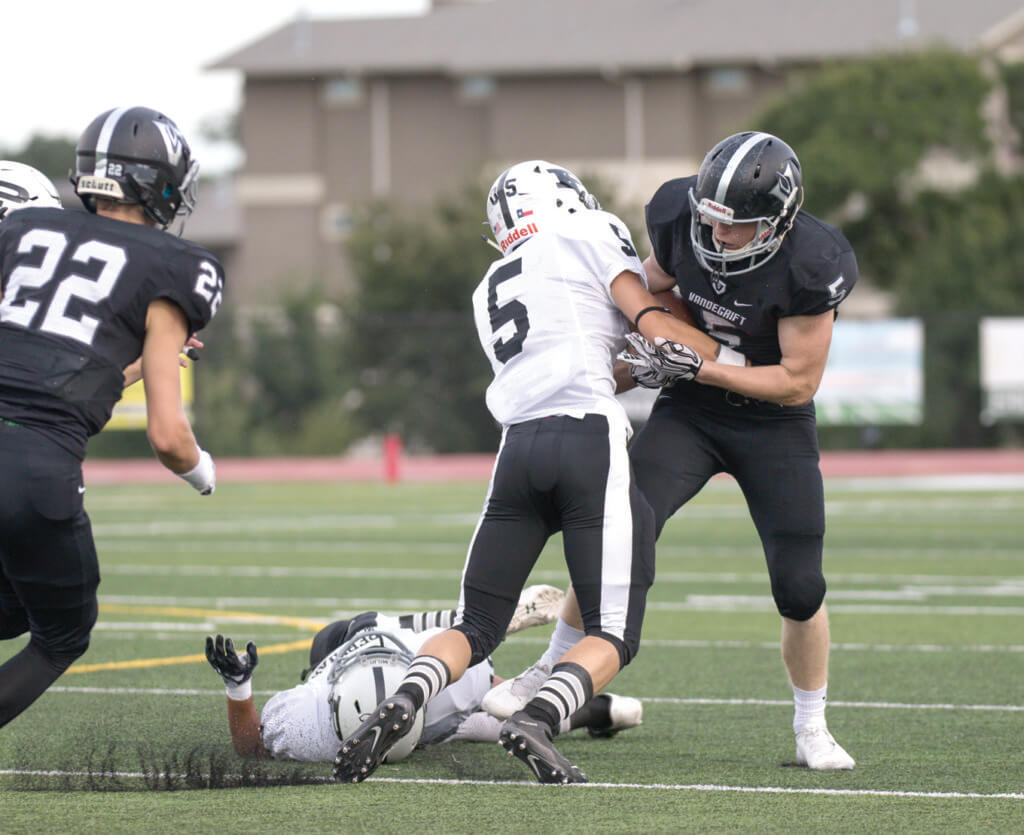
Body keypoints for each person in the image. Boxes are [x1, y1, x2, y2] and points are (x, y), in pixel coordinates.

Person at [331, 160, 733, 785]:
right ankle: (538, 717)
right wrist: (707, 349)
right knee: (613, 633)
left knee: (476, 626)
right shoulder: (590, 231)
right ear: (565, 198)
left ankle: (407, 697)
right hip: (587, 437)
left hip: (518, 448)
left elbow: (572, 343)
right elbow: (650, 326)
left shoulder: (490, 281)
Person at [484, 132, 858, 771]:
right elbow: (649, 294)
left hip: (774, 423)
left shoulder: (813, 262)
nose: (717, 236)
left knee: (800, 585)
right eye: (709, 219)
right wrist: (653, 355)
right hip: (690, 408)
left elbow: (796, 380)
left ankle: (811, 726)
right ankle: (548, 673)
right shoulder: (678, 215)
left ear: (776, 222)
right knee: (618, 526)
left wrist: (706, 363)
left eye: (735, 227)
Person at [0, 107, 222, 729]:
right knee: (62, 635)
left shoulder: (26, 229)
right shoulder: (178, 265)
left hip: (20, 443)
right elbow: (169, 437)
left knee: (13, 607)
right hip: (35, 469)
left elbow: (48, 367)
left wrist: (129, 370)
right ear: (162, 183)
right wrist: (202, 471)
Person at [203, 586, 644, 762]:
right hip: (429, 688)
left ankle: (594, 710)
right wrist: (237, 685)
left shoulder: (315, 720)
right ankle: (594, 709)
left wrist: (239, 687)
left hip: (412, 667)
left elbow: (251, 746)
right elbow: (253, 747)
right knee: (503, 717)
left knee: (501, 712)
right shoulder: (315, 718)